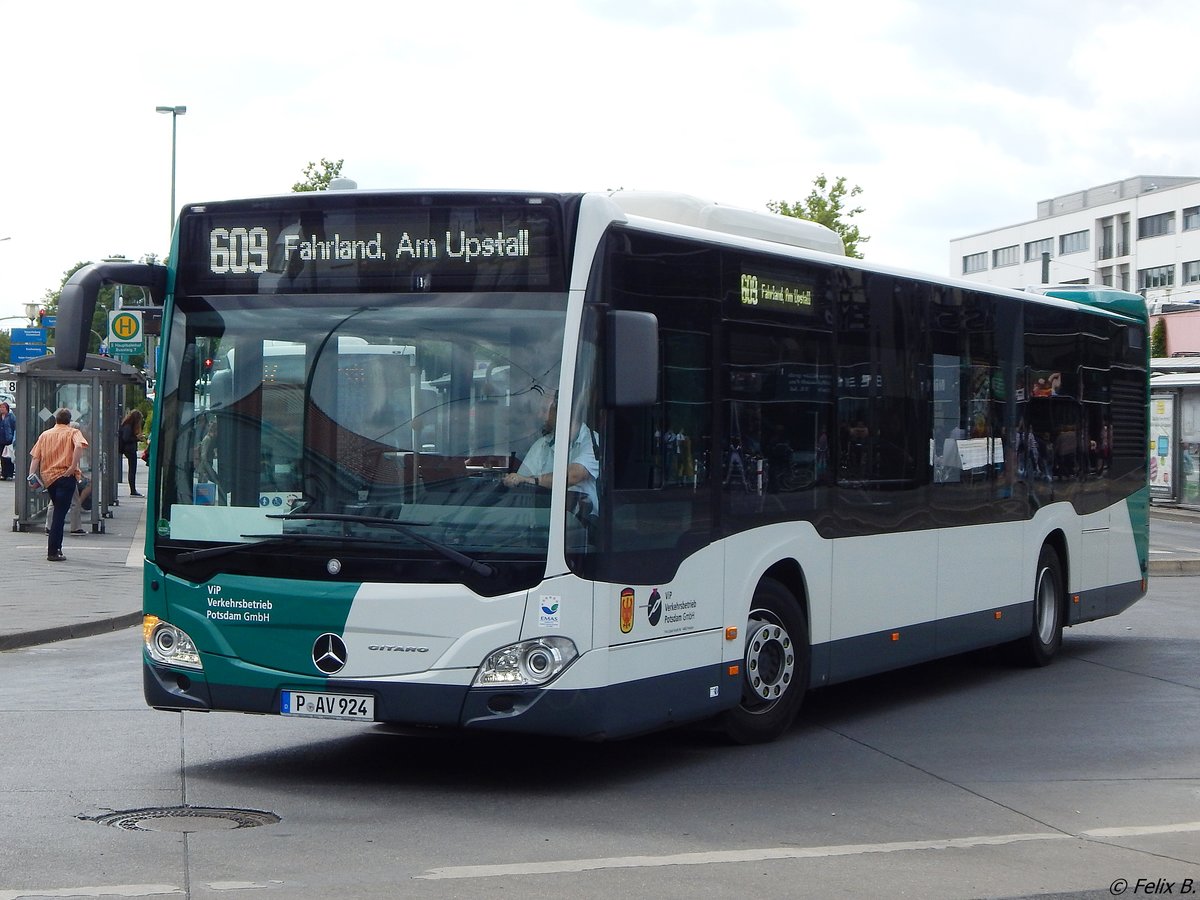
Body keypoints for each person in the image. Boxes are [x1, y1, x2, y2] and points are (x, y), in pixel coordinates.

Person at [503, 390, 599, 516]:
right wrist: (515, 480)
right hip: (544, 517)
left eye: (545, 410)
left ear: (562, 410)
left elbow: (574, 475)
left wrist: (534, 481)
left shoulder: (592, 440)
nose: (540, 416)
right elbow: (521, 481)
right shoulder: (542, 444)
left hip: (582, 522)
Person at [28, 407, 88, 562]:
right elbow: (80, 446)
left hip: (49, 479)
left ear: (56, 419)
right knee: (60, 515)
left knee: (57, 511)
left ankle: (56, 548)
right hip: (66, 477)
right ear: (69, 420)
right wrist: (73, 466)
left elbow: (35, 457)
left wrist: (31, 475)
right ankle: (53, 550)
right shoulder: (73, 432)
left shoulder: (45, 435)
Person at [118, 409, 144, 496]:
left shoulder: (126, 425)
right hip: (129, 450)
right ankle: (133, 490)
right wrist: (137, 438)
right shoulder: (128, 426)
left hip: (128, 449)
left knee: (132, 470)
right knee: (132, 470)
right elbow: (126, 438)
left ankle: (133, 490)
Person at [0, 401, 15, 480]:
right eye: (1, 407)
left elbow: (14, 427)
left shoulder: (11, 416)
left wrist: (13, 438)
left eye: (3, 407)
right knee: (2, 458)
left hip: (8, 440)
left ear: (7, 409)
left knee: (9, 457)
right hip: (1, 440)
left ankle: (9, 474)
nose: (1, 409)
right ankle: (4, 473)